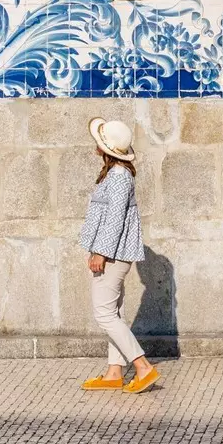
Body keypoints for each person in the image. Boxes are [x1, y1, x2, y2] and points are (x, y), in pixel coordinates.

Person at [77, 117, 157, 393]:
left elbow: (114, 219)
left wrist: (100, 252)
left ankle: (143, 367)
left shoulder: (120, 177)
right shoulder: (114, 174)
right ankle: (114, 372)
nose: (94, 146)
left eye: (98, 143)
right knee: (114, 312)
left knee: (104, 314)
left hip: (112, 254)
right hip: (112, 252)